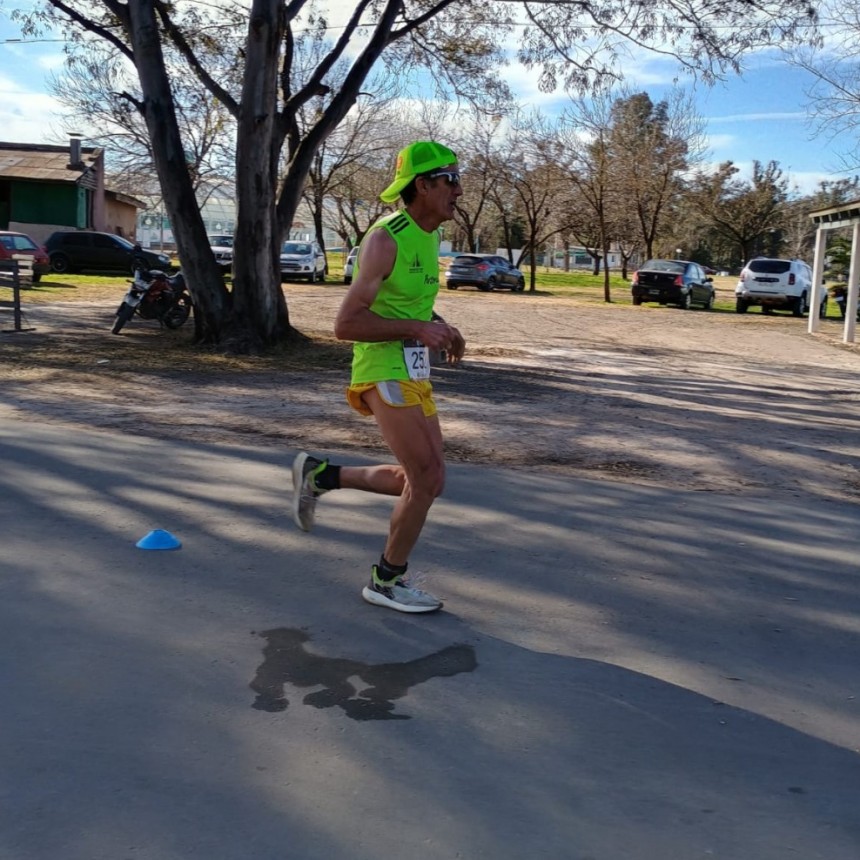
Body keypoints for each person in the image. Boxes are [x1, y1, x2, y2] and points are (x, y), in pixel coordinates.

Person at [290, 140, 465, 614]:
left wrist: (442, 327)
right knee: (425, 477)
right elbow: (346, 324)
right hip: (380, 366)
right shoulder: (387, 237)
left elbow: (411, 303)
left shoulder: (429, 236)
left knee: (430, 480)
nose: (458, 189)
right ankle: (387, 580)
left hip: (410, 366)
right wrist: (416, 327)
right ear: (423, 185)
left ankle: (322, 476)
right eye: (450, 179)